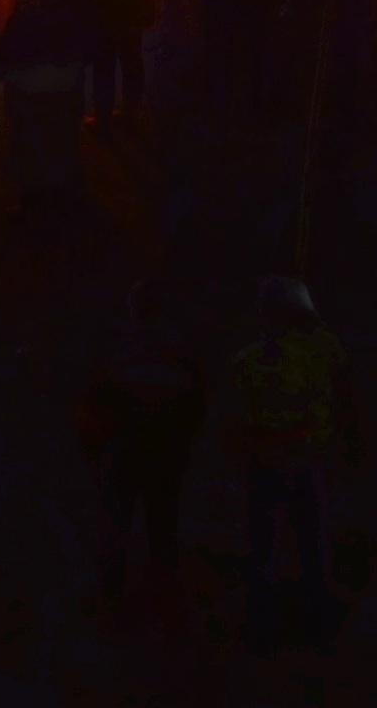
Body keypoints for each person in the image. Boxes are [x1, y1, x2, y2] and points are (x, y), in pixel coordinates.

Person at [231, 276, 355, 649]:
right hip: (299, 458)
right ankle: (308, 623)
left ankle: (269, 626)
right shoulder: (324, 347)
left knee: (270, 548)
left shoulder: (250, 358)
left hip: (278, 460)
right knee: (307, 544)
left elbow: (237, 419)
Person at [84, 283, 206, 597]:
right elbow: (198, 401)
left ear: (132, 309)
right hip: (163, 448)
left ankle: (112, 594)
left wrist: (95, 447)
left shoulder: (114, 348)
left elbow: (94, 398)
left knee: (116, 522)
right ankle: (162, 593)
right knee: (162, 523)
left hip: (123, 446)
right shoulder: (181, 350)